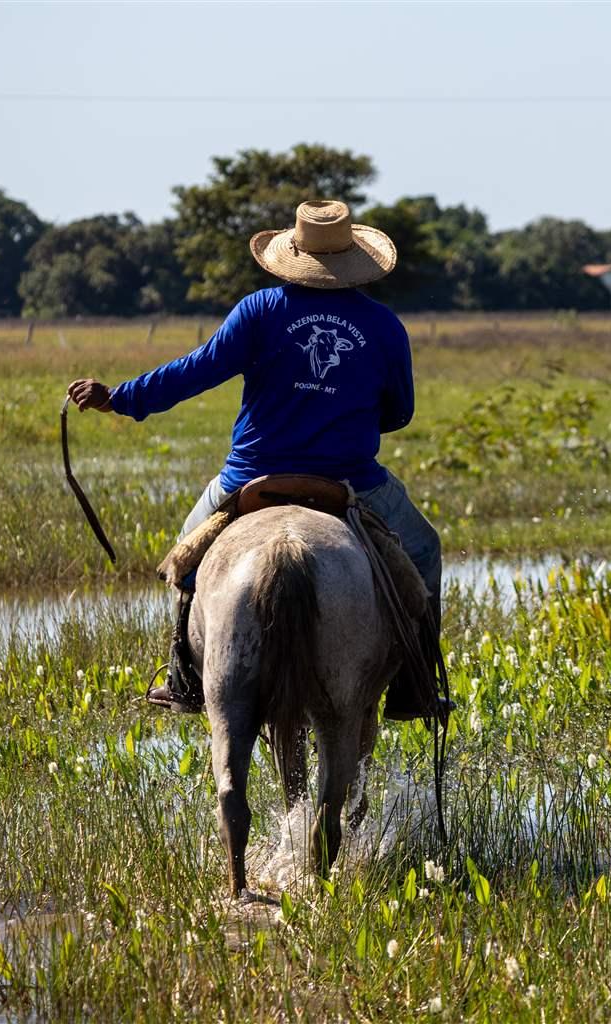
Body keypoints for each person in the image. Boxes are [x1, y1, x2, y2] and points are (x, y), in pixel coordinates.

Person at [67, 200, 445, 719]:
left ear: (293, 253)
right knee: (424, 551)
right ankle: (415, 688)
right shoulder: (383, 326)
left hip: (250, 477)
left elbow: (196, 370)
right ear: (354, 258)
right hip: (351, 480)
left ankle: (185, 680)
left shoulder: (260, 310)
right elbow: (400, 411)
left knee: (187, 561)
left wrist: (122, 397)